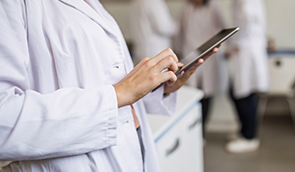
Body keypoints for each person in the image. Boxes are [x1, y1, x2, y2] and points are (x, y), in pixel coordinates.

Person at [0, 0, 219, 171]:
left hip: (134, 145)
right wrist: (119, 93)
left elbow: (106, 80)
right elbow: (4, 118)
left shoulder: (94, 5)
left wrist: (160, 88)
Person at [177, 0, 227, 137]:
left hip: (208, 57)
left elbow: (225, 28)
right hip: (189, 55)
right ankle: (191, 132)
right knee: (189, 94)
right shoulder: (186, 7)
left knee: (206, 95)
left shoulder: (213, 6)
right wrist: (177, 51)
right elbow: (180, 30)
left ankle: (201, 132)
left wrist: (225, 48)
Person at [225, 0, 269, 153]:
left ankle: (249, 137)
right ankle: (244, 131)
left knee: (246, 93)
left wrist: (235, 43)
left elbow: (245, 17)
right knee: (238, 92)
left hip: (246, 49)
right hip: (245, 49)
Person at [128, 0, 177, 64]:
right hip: (156, 52)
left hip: (139, 51)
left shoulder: (134, 3)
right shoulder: (153, 2)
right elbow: (164, 27)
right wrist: (178, 25)